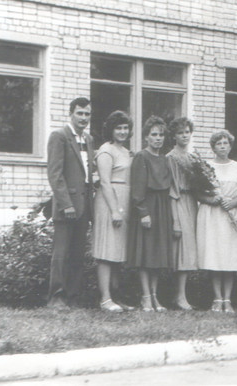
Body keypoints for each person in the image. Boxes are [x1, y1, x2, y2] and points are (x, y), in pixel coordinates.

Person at [46, 97, 95, 309]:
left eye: (87, 114)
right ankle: (56, 298)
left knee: (77, 254)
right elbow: (55, 175)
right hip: (67, 206)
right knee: (61, 254)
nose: (83, 118)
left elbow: (87, 174)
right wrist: (66, 204)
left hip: (84, 206)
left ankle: (73, 297)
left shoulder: (89, 139)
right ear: (71, 114)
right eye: (79, 113)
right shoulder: (59, 136)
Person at [197, 130, 237, 313]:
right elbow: (198, 192)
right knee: (215, 256)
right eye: (218, 144)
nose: (222, 147)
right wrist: (212, 199)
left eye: (225, 143)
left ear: (230, 146)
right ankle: (217, 298)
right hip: (213, 215)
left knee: (229, 257)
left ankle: (227, 299)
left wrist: (232, 202)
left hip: (231, 214)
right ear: (213, 147)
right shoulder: (206, 167)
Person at [127, 116, 173, 312]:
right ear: (146, 137)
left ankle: (155, 296)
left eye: (161, 135)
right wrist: (143, 212)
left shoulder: (165, 159)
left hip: (162, 207)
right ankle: (145, 297)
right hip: (147, 207)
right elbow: (137, 189)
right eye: (154, 134)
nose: (158, 138)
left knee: (157, 255)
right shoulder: (141, 157)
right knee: (146, 254)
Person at [92, 111, 134, 312]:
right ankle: (105, 299)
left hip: (124, 199)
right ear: (111, 129)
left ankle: (117, 297)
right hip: (109, 202)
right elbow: (105, 182)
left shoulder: (126, 151)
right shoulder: (106, 150)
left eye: (125, 128)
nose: (122, 132)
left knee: (118, 251)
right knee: (106, 250)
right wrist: (115, 210)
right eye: (118, 128)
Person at [166, 117, 198, 310]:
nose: (184, 136)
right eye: (180, 133)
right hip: (178, 201)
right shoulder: (171, 157)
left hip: (191, 201)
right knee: (181, 249)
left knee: (189, 248)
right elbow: (172, 188)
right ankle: (179, 296)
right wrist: (175, 220)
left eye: (187, 132)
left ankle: (181, 294)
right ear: (174, 136)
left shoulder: (192, 157)